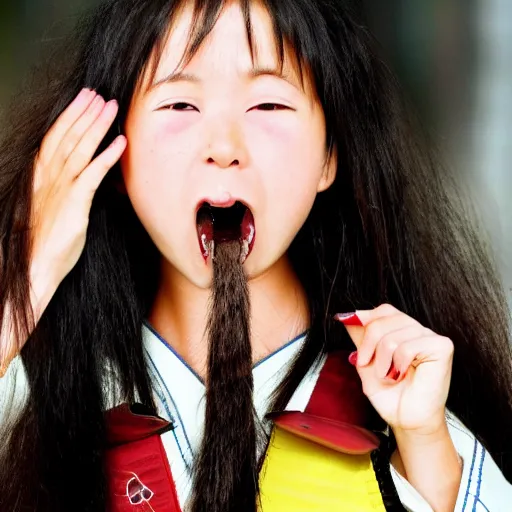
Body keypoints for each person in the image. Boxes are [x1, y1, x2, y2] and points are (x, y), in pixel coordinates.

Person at [0, 0, 511, 510]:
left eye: (268, 105)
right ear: (115, 151)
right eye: (180, 104)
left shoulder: (400, 410)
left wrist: (426, 449)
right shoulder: (41, 392)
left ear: (330, 154)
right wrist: (31, 277)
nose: (224, 146)